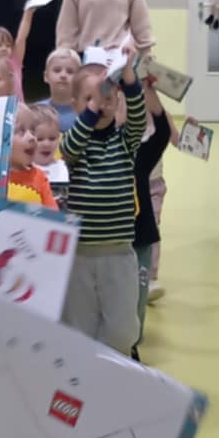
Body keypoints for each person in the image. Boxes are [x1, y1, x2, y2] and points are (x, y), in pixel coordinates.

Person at [63, 47, 147, 352]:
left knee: (123, 330)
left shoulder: (124, 141)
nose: (100, 104)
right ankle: (84, 373)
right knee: (79, 327)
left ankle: (116, 364)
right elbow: (69, 149)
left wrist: (129, 78)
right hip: (80, 254)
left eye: (108, 98)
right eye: (90, 99)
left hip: (119, 254)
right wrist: (93, 106)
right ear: (75, 106)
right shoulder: (74, 143)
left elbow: (138, 119)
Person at [133, 83, 172, 348]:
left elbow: (165, 133)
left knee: (137, 291)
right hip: (109, 241)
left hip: (140, 234)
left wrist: (151, 92)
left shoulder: (142, 157)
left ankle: (133, 341)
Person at [7, 108, 58, 209]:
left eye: (33, 131)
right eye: (21, 131)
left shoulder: (39, 178)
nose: (32, 137)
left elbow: (53, 216)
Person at [44, 49, 83, 133]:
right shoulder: (36, 111)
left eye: (70, 72)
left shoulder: (85, 114)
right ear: (46, 76)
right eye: (57, 70)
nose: (63, 75)